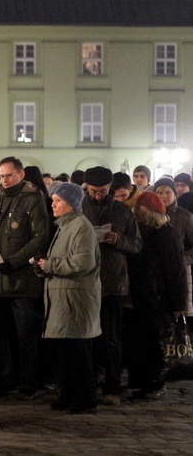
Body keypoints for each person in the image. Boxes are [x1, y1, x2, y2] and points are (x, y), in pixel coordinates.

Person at [0, 156, 50, 398]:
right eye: (1, 176)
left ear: (20, 174)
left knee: (24, 335)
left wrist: (14, 261)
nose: (5, 180)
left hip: (20, 281)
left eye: (9, 175)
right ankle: (3, 379)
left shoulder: (32, 200)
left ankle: (28, 382)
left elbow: (39, 237)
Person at [38, 182, 101, 414]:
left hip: (75, 298)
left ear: (72, 204)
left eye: (58, 200)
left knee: (77, 351)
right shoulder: (65, 226)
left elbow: (83, 262)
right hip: (63, 296)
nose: (52, 204)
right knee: (64, 350)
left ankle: (85, 399)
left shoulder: (80, 226)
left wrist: (51, 265)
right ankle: (68, 395)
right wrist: (45, 266)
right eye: (53, 200)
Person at [81, 166, 142, 406]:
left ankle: (112, 385)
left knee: (112, 338)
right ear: (87, 188)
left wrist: (118, 240)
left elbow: (137, 244)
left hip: (113, 282)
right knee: (86, 337)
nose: (98, 195)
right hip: (84, 282)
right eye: (94, 191)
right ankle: (88, 382)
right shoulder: (79, 208)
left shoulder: (121, 211)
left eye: (103, 191)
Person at [126, 192, 187, 399]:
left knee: (155, 342)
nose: (135, 213)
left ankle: (155, 383)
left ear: (151, 212)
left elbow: (176, 271)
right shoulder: (140, 233)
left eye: (139, 209)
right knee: (141, 340)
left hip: (159, 299)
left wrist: (179, 303)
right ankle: (141, 381)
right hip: (141, 296)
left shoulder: (167, 234)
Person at [153, 178, 193, 320]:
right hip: (156, 272)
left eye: (167, 192)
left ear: (175, 194)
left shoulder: (185, 217)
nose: (163, 196)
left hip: (179, 270)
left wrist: (181, 260)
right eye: (159, 192)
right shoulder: (151, 215)